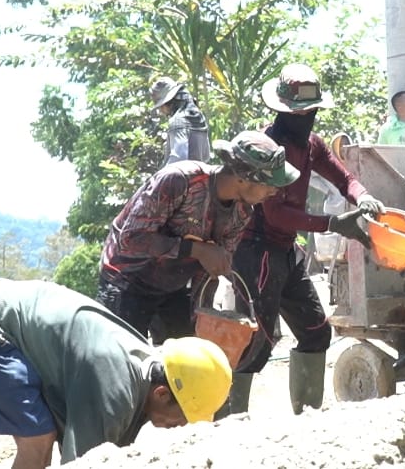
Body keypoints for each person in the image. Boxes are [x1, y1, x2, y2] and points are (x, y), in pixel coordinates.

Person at [221, 63, 386, 417]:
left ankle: (306, 418)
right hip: (255, 251)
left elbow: (344, 179)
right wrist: (333, 223)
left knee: (316, 332)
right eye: (299, 112)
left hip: (285, 250)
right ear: (282, 110)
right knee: (257, 341)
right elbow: (276, 214)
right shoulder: (267, 149)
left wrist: (364, 196)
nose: (305, 118)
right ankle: (231, 419)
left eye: (310, 112)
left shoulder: (312, 146)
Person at [0, 278, 232, 467]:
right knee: (38, 439)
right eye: (183, 417)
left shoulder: (146, 370)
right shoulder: (114, 391)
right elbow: (82, 463)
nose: (180, 426)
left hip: (15, 314)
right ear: (162, 393)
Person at [97, 130, 300, 343]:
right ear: (242, 178)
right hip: (127, 279)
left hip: (173, 286)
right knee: (122, 355)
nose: (275, 192)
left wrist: (203, 317)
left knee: (186, 356)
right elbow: (131, 239)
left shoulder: (242, 213)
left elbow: (211, 269)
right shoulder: (180, 181)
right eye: (270, 184)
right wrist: (196, 250)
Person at [150, 76, 211, 164]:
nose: (161, 111)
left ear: (168, 103)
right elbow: (206, 156)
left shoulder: (177, 121)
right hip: (200, 170)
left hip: (183, 172)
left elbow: (178, 159)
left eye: (160, 107)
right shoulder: (199, 117)